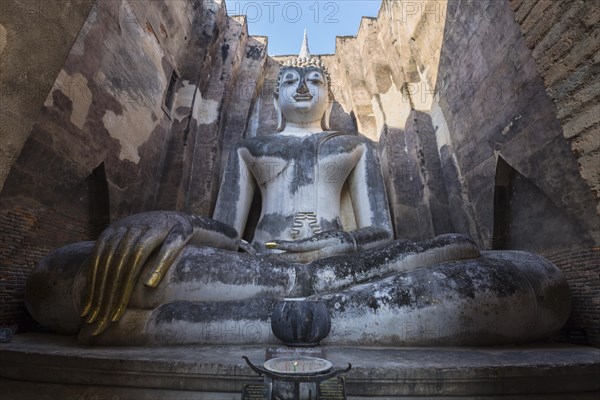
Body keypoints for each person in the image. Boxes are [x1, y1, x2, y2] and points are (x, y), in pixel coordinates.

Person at [26, 40, 570, 346]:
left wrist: (342, 245)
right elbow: (225, 227)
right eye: (291, 80)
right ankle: (338, 320)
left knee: (485, 260)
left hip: (346, 268)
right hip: (262, 266)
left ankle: (212, 324)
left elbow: (379, 230)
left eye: (314, 78)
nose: (303, 85)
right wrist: (178, 222)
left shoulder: (354, 146)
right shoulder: (251, 146)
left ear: (330, 95)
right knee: (68, 272)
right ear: (276, 95)